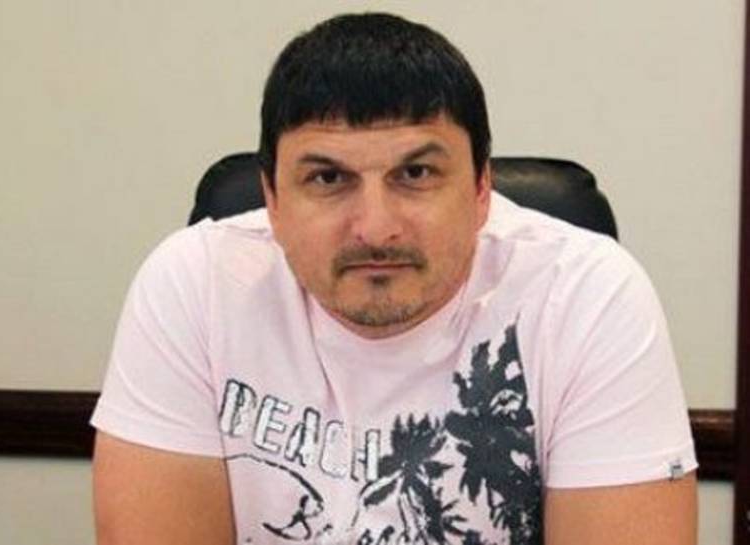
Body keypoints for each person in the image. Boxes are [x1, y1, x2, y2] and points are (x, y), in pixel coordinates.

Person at [91, 12, 698, 545]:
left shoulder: (587, 297)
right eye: (329, 179)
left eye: (416, 174)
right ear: (272, 199)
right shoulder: (194, 285)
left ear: (482, 190)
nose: (376, 229)